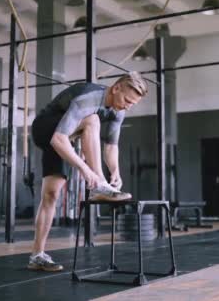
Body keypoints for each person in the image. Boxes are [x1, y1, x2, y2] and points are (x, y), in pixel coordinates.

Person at [27, 71, 149, 272]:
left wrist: (115, 171)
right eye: (127, 100)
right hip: (45, 128)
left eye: (132, 104)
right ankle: (100, 185)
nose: (128, 106)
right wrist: (87, 171)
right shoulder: (88, 99)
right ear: (116, 88)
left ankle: (37, 255)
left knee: (51, 194)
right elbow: (58, 139)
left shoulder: (119, 110)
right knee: (92, 120)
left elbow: (110, 146)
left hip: (67, 136)